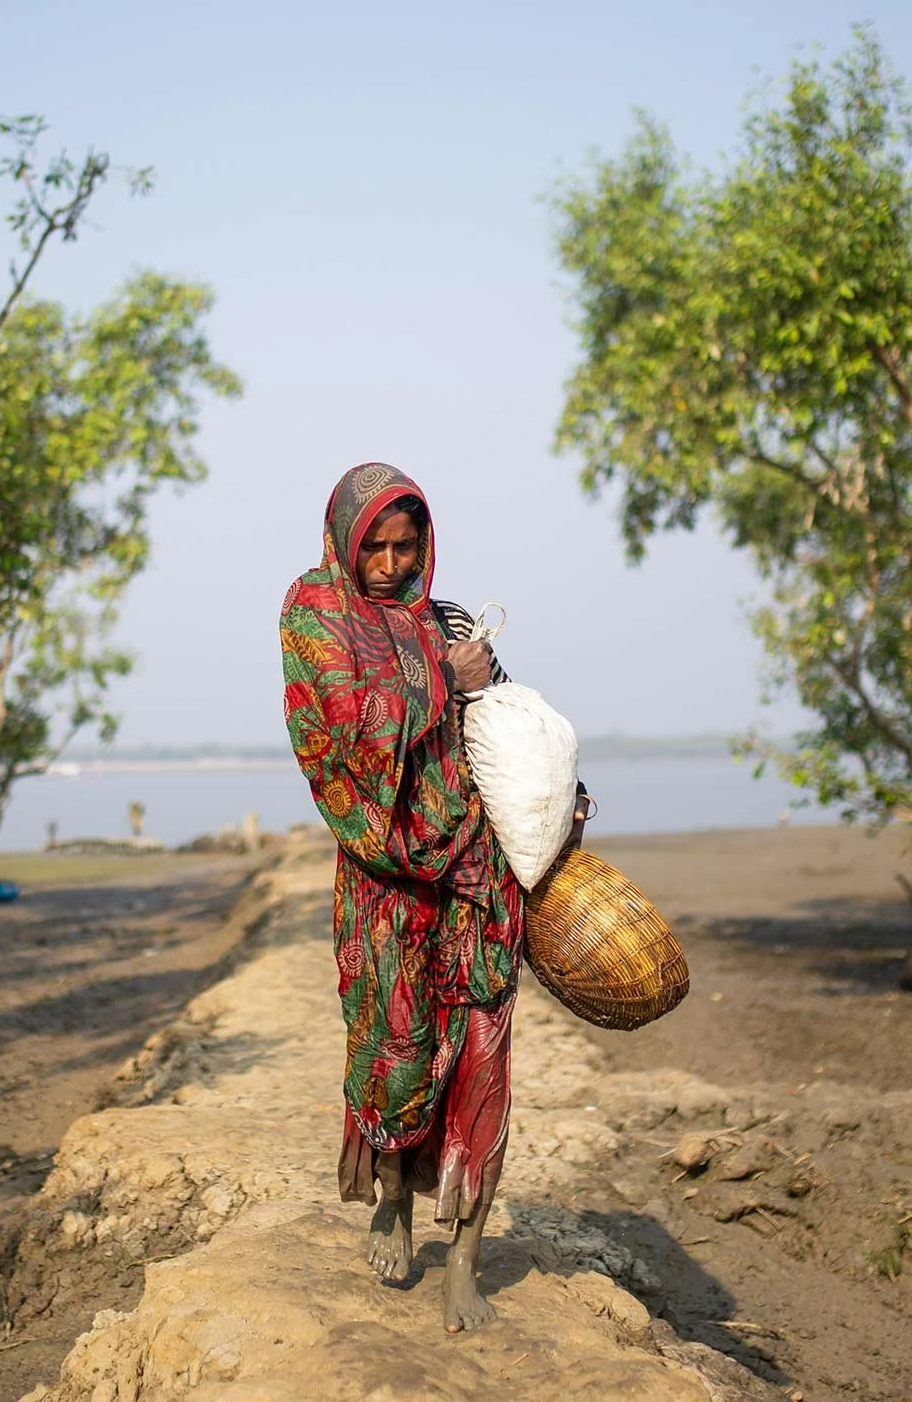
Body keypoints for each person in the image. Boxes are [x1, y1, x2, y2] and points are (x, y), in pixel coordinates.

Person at [277, 461, 589, 1332]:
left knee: (483, 1065)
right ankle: (393, 1198)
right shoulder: (314, 612)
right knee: (398, 1052)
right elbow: (340, 729)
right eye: (371, 544)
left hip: (475, 882)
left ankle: (466, 1264)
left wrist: (561, 792)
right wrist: (438, 682)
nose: (386, 562)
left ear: (425, 543)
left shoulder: (446, 624)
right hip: (387, 885)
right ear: (343, 539)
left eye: (403, 545)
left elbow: (504, 737)